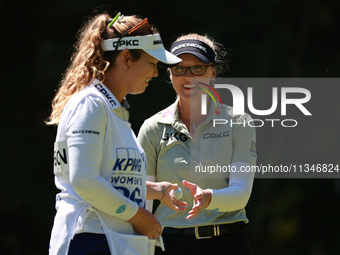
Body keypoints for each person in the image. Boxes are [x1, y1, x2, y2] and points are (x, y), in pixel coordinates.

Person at [46, 12, 187, 255]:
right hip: (89, 239)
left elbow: (109, 180)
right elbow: (85, 182)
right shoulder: (90, 104)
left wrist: (156, 191)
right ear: (127, 58)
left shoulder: (113, 109)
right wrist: (139, 216)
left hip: (108, 239)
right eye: (152, 64)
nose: (155, 74)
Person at [138, 33, 257, 255]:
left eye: (198, 68)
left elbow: (241, 192)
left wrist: (209, 198)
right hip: (170, 244)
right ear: (170, 73)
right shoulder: (152, 128)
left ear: (213, 72)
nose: (188, 76)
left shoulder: (239, 123)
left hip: (228, 242)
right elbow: (142, 199)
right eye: (179, 68)